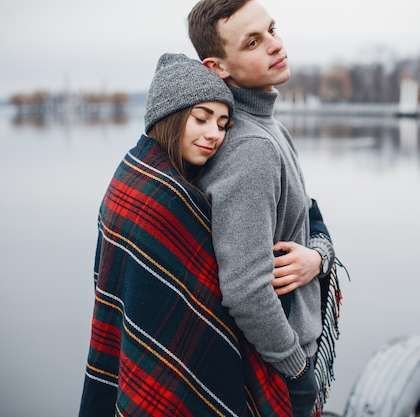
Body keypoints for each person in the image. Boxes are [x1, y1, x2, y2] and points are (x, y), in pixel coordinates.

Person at [78, 53, 294, 417]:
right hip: (173, 373)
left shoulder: (132, 172)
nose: (214, 134)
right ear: (170, 116)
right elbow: (232, 293)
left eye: (224, 124)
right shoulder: (162, 196)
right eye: (202, 118)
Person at [187, 2, 339, 416]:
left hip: (283, 354)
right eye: (254, 42)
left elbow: (302, 220)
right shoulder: (250, 149)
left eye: (272, 30)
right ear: (218, 67)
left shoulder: (268, 127)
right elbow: (246, 288)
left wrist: (317, 257)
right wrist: (294, 369)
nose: (275, 45)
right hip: (275, 366)